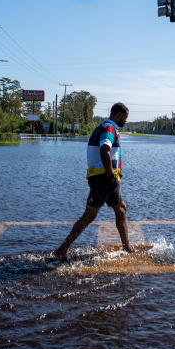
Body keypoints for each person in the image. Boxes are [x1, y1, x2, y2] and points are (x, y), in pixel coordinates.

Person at [53, 102, 132, 259]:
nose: (125, 121)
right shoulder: (108, 129)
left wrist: (112, 177)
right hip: (104, 178)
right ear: (118, 115)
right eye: (125, 118)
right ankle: (61, 250)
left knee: (121, 209)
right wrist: (110, 176)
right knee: (89, 215)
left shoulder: (103, 127)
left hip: (106, 178)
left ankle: (127, 248)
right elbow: (104, 152)